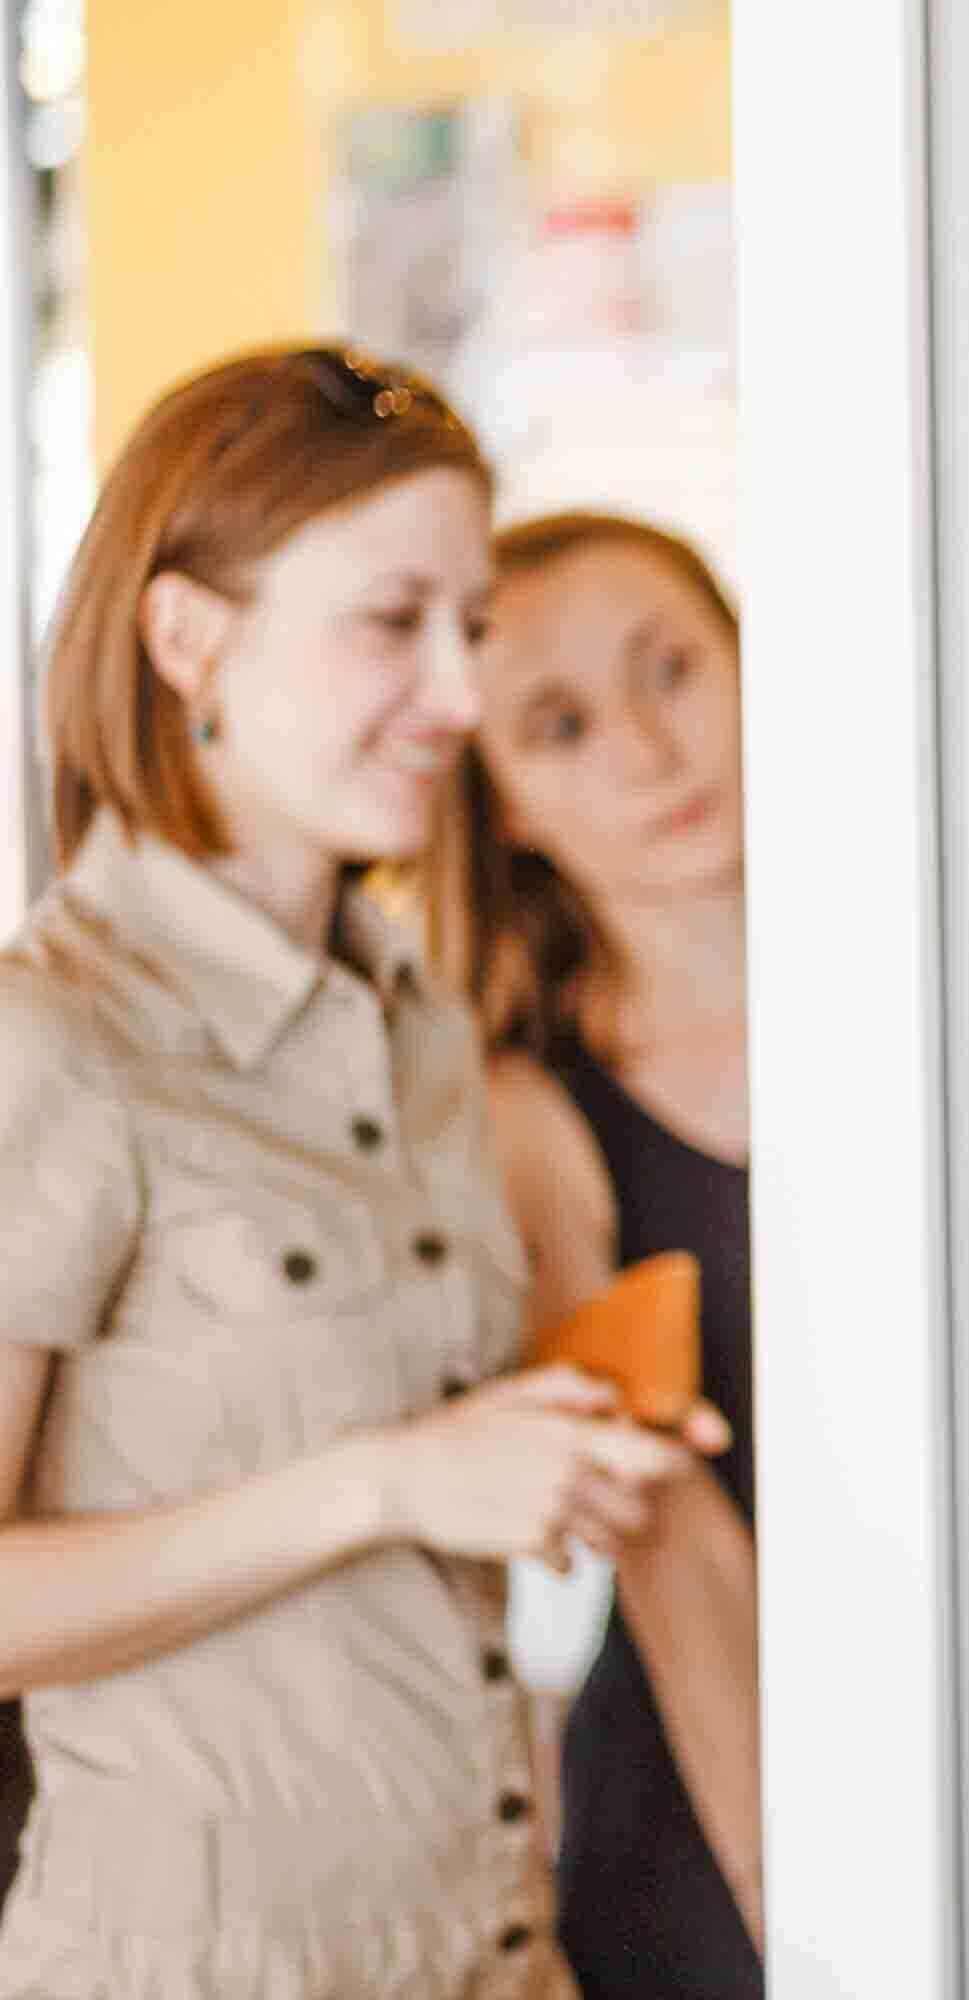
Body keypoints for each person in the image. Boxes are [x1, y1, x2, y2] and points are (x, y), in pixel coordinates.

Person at [0, 347, 719, 1997]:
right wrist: (387, 1484)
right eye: (393, 623)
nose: (459, 698)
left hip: (494, 1953)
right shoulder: (52, 1044)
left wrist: (558, 1441)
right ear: (191, 639)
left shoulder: (424, 1032)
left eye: (467, 626)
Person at [426, 512, 762, 1999]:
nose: (647, 750)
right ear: (499, 805)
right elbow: (673, 1552)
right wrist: (825, 1921)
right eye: (560, 728)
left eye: (672, 671)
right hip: (733, 1826)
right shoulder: (530, 1118)